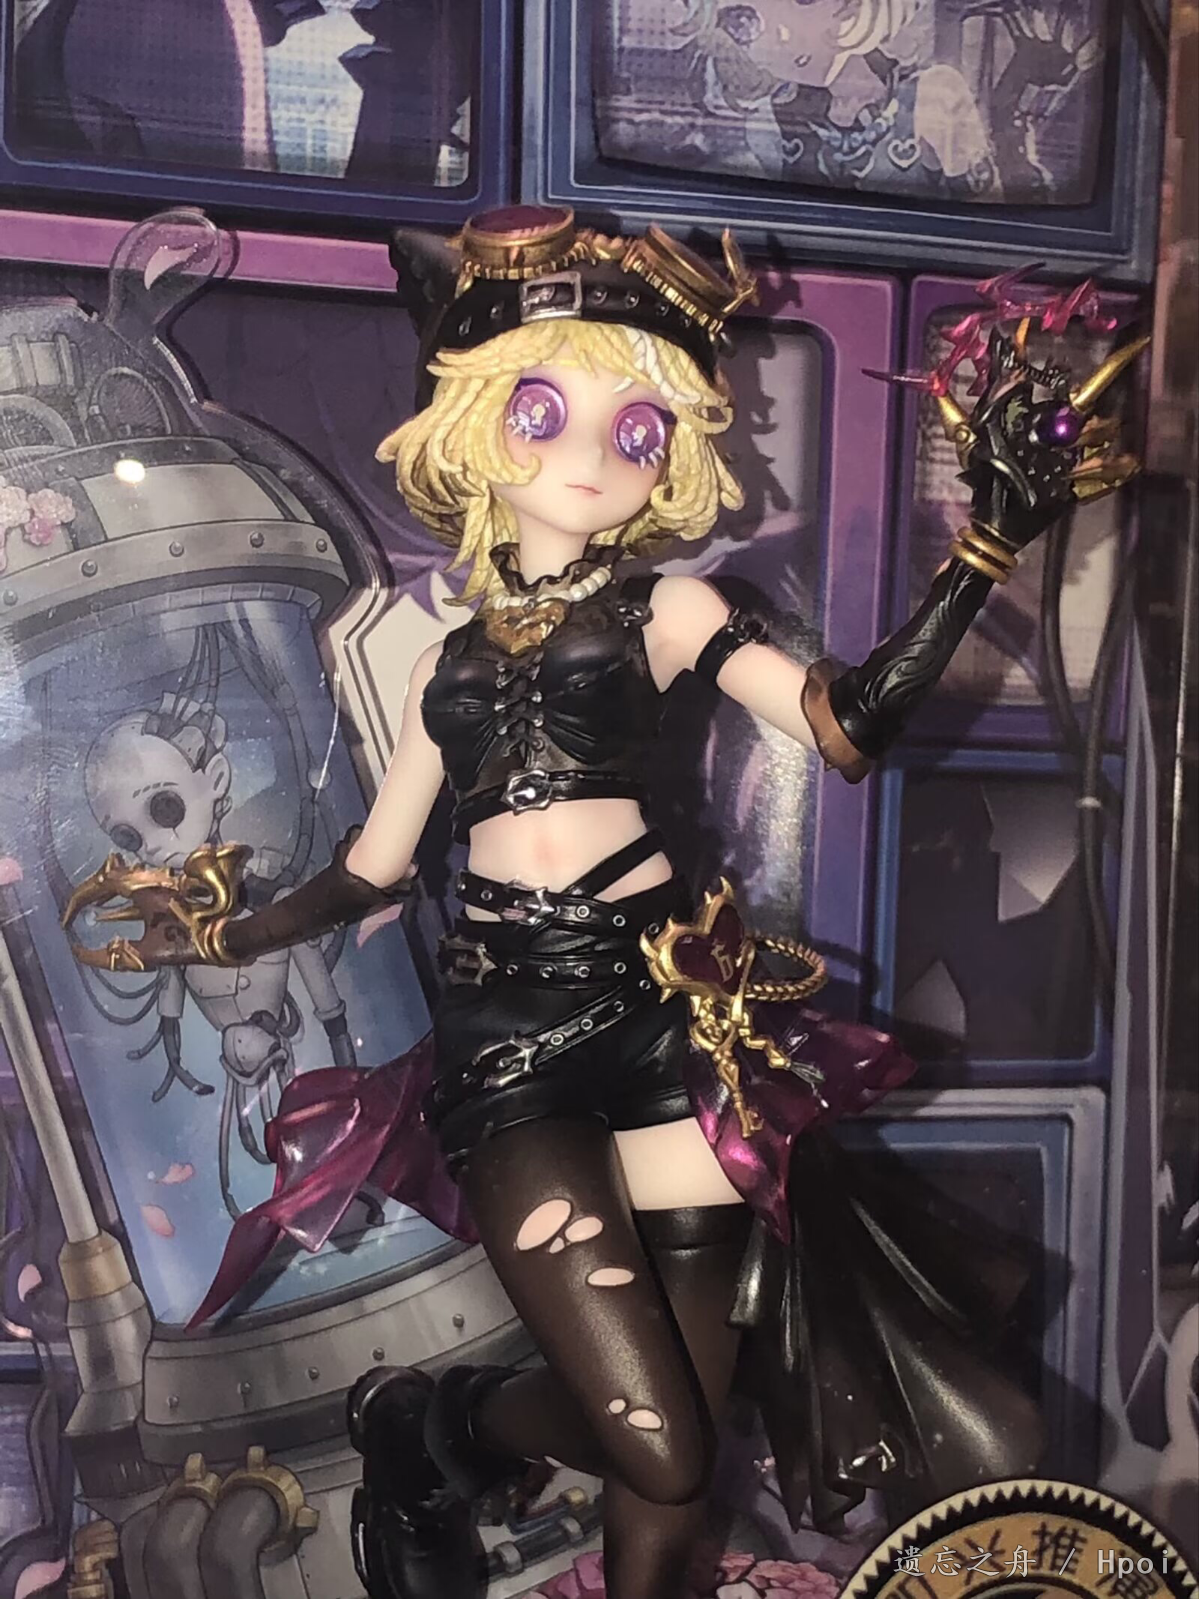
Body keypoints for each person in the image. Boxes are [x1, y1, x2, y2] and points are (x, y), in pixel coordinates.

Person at [65, 205, 1142, 1599]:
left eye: (636, 429)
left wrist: (983, 545)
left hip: (671, 1018)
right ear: (472, 423)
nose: (589, 454)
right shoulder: (437, 663)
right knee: (665, 1443)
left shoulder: (669, 610)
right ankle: (438, 1426)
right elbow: (372, 869)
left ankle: (449, 1436)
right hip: (511, 1038)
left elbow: (847, 724)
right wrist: (221, 932)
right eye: (544, 410)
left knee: (669, 1470)